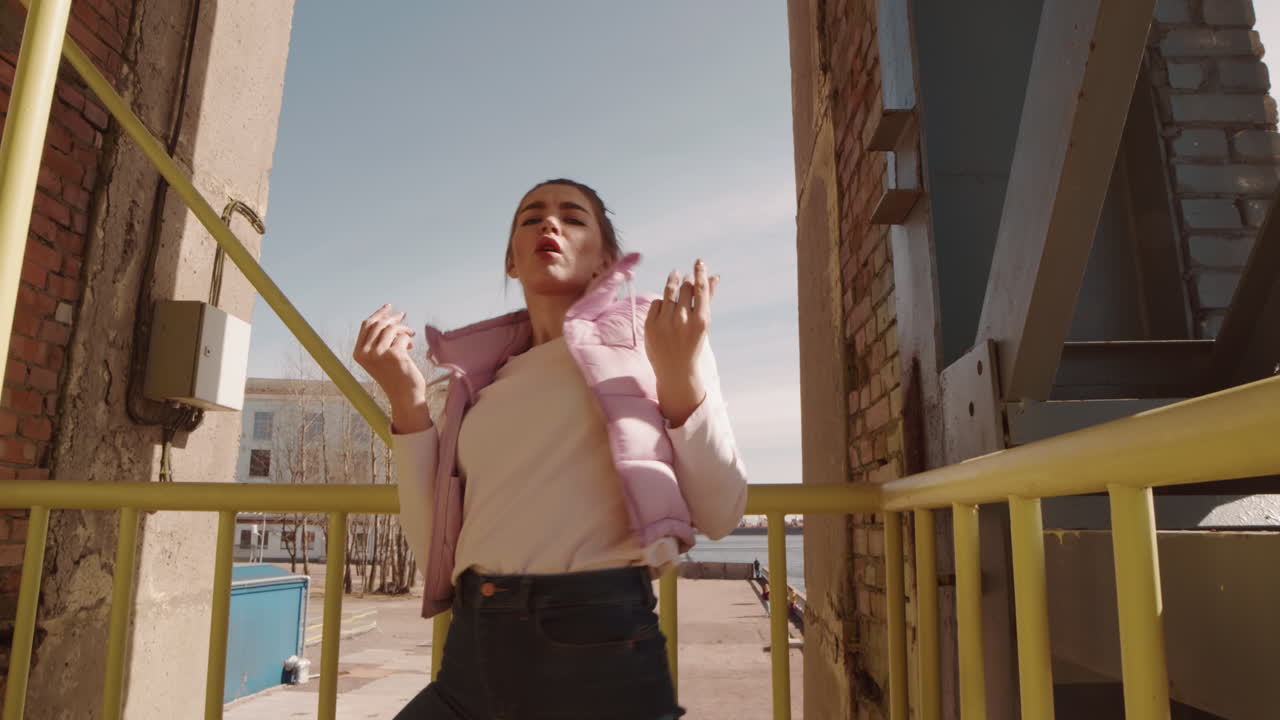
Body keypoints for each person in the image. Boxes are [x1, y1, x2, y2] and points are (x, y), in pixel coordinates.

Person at [354, 179, 749, 719]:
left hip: (596, 656)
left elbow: (722, 513)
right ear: (511, 261)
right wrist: (407, 400)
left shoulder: (657, 337)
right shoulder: (479, 381)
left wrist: (680, 376)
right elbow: (436, 552)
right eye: (531, 216)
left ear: (606, 260)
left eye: (573, 217)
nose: (549, 223)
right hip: (473, 650)